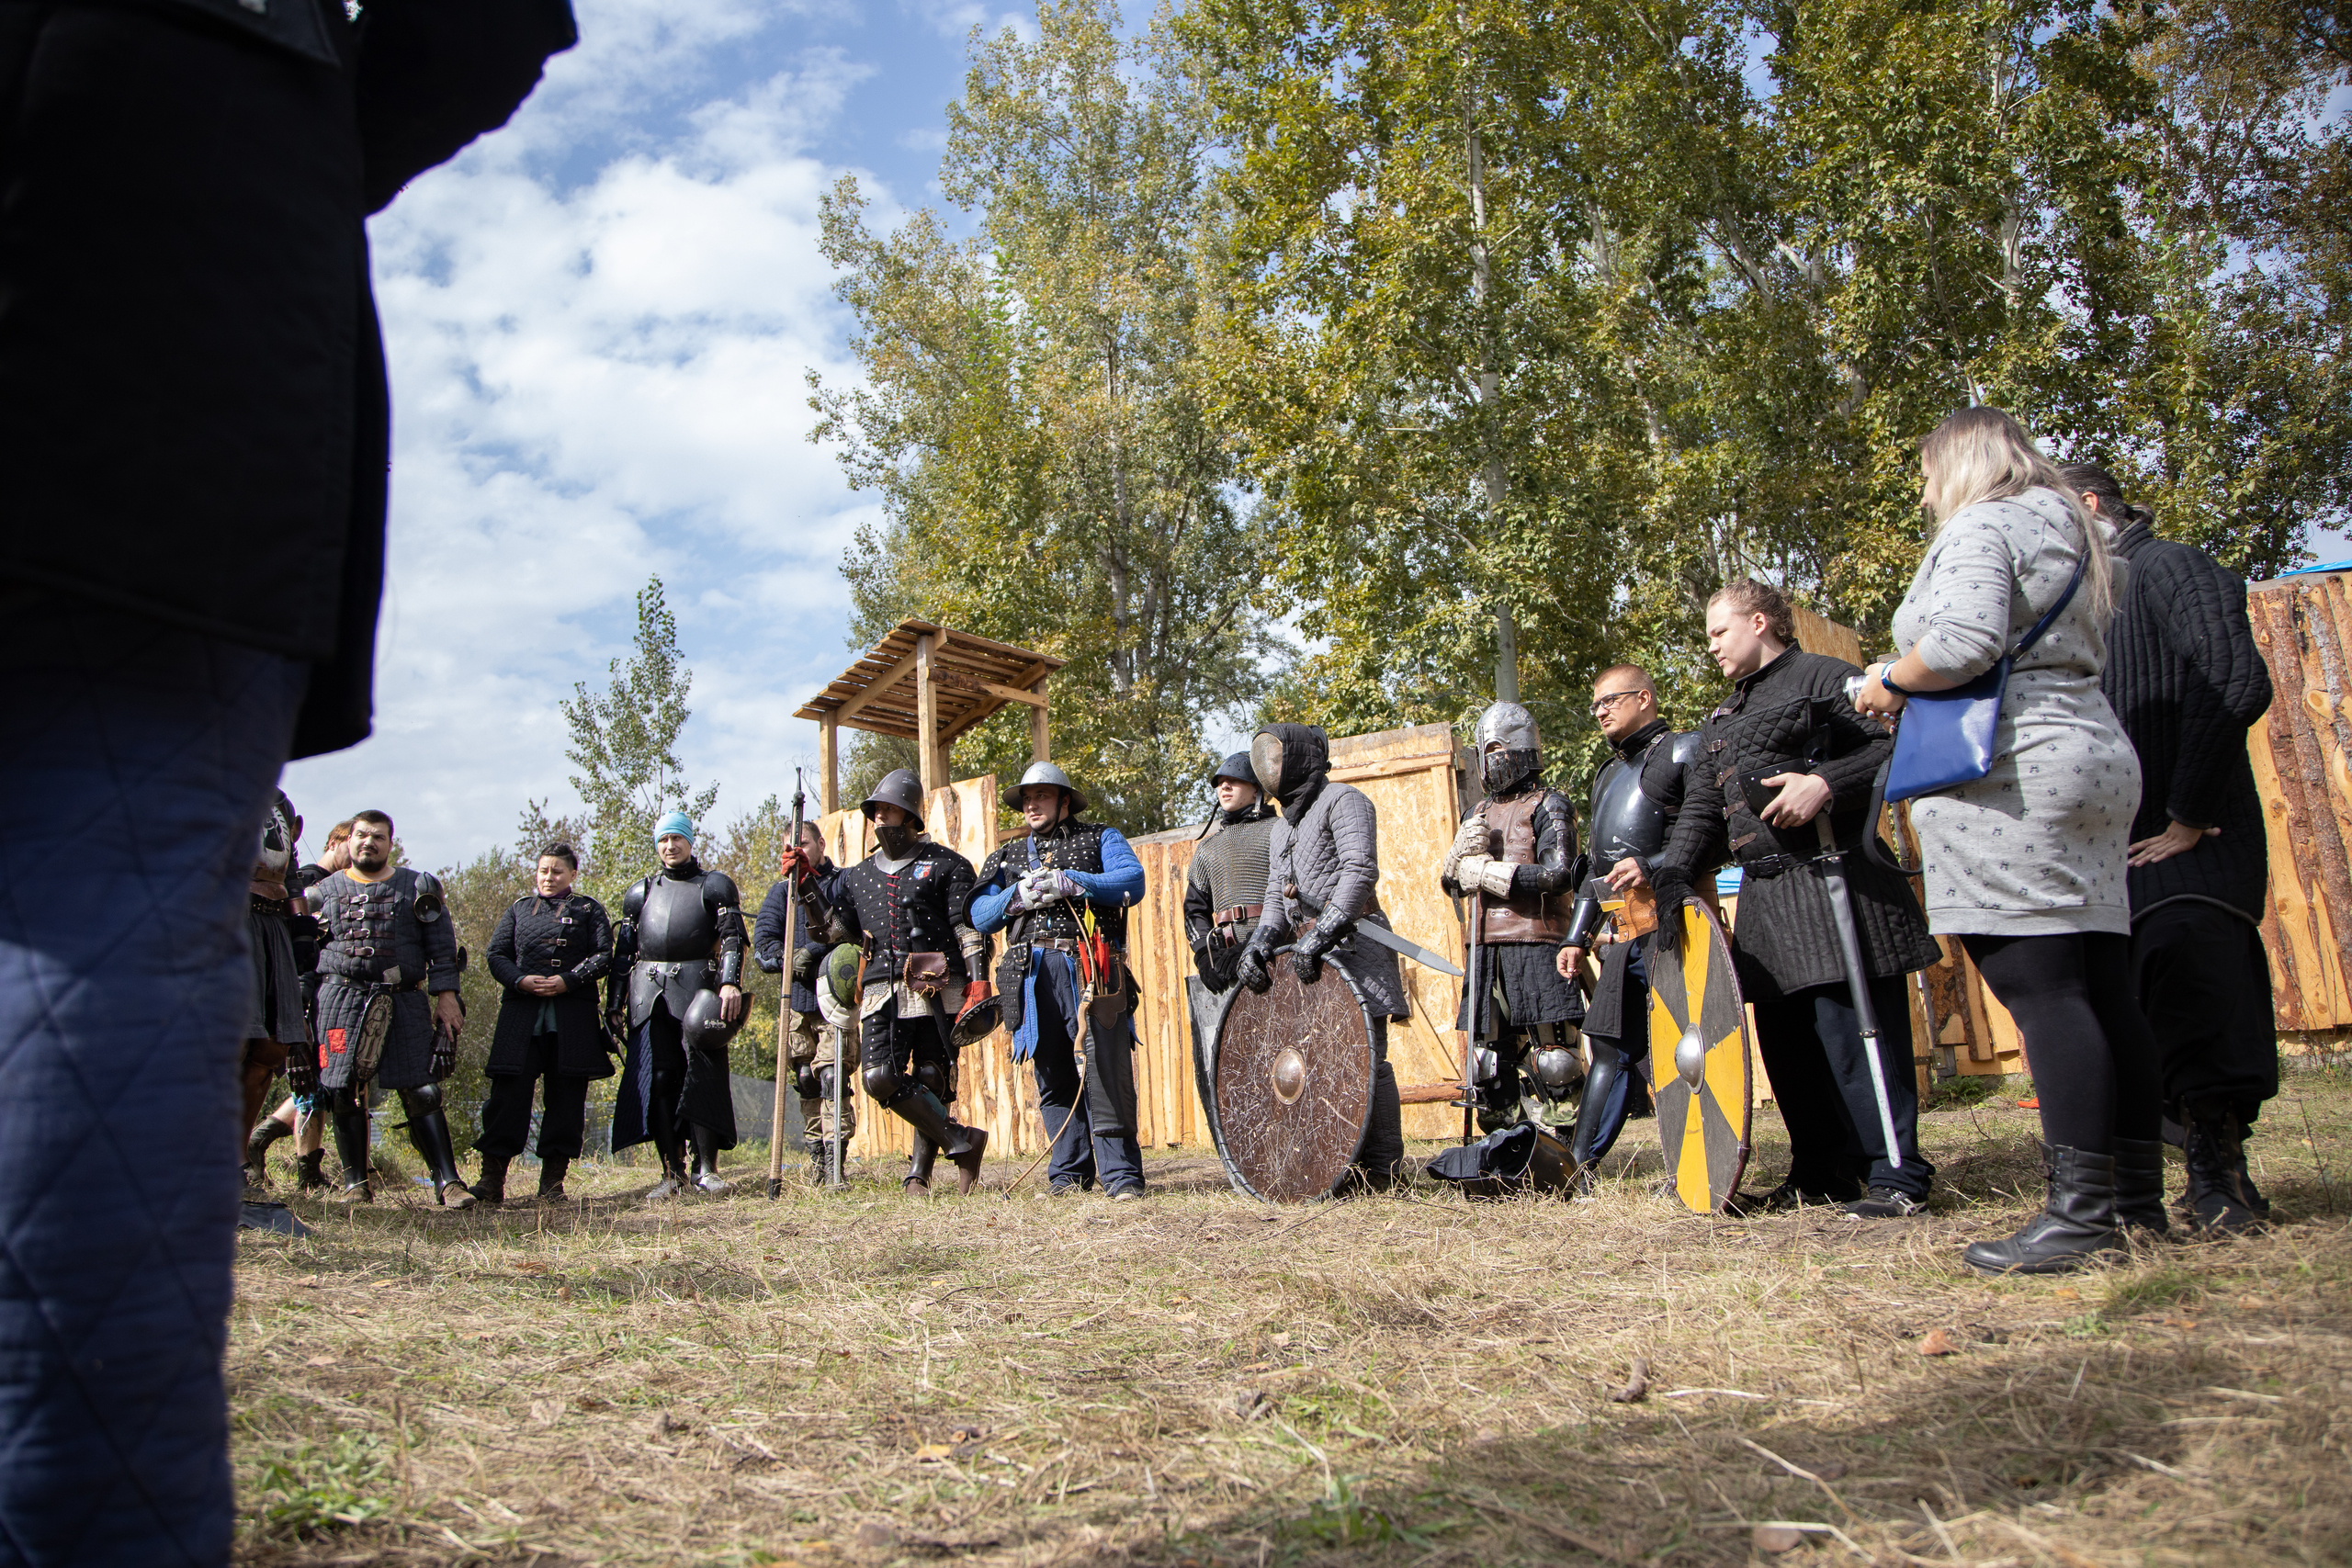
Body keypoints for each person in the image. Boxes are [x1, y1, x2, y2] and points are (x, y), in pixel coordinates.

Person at [0, 2, 574, 1551]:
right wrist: (299, 138)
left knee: (92, 922)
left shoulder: (438, 898)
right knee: (103, 914)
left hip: (156, 235)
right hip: (178, 185)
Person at [1855, 406, 2152, 1275]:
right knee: (2100, 982)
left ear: (1960, 463)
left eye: (1926, 473)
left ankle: (2082, 1212)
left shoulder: (1982, 525)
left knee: (2042, 988)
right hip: (2092, 748)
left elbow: (1962, 644)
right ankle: (2134, 1197)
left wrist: (1885, 680)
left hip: (2013, 766)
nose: (1923, 491)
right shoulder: (2078, 528)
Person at [1654, 581, 1941, 1219]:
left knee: (1854, 1037)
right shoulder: (1724, 720)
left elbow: (1893, 743)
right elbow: (1703, 808)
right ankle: (1823, 1171)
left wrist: (1825, 783)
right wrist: (1673, 875)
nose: (1712, 647)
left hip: (1836, 884)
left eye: (1718, 632)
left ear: (1760, 622)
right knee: (1790, 1047)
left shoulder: (1824, 678)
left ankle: (1897, 1173)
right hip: (1767, 900)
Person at [2068, 462, 2278, 1235]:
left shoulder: (2168, 565)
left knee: (2194, 977)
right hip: (2117, 850)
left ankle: (2221, 1175)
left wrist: (2187, 811)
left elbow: (2234, 677)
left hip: (2191, 839)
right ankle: (2144, 1185)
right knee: (2130, 1002)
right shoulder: (2083, 608)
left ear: (2089, 505)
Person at [786, 771, 991, 1196]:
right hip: (880, 985)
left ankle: (919, 1173)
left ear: (911, 813)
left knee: (933, 1074)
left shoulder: (948, 864)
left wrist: (978, 982)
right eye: (875, 810)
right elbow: (836, 930)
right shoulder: (857, 876)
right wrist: (807, 885)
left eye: (888, 808)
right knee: (879, 1076)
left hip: (939, 979)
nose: (879, 816)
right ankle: (960, 1140)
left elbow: (968, 927)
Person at [1235, 724, 1407, 1190]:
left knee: (1366, 1058)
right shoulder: (1282, 828)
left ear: (1300, 758)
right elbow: (1276, 894)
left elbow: (1359, 869)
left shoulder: (1345, 801)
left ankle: (1384, 1169)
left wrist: (1325, 930)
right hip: (1307, 959)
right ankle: (1337, 1169)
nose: (1269, 770)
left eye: (1276, 759)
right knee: (1319, 1061)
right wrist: (1260, 944)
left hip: (1354, 943)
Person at [972, 762, 1151, 1198]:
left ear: (1064, 801)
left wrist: (1073, 882)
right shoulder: (1007, 856)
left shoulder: (1101, 837)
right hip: (1031, 974)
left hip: (1090, 967)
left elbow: (1134, 880)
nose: (1032, 804)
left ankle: (1121, 1177)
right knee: (1052, 1073)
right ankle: (1068, 1176)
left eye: (1043, 796)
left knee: (1106, 1070)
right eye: (1027, 798)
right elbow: (978, 913)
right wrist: (1013, 897)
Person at [1556, 666, 1700, 1182]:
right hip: (1621, 931)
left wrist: (1655, 865)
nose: (1600, 711)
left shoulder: (1685, 751)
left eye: (1610, 701)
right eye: (1594, 704)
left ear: (1644, 696)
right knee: (1609, 1047)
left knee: (1689, 1044)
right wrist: (1577, 935)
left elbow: (1710, 834)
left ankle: (1698, 1165)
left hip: (1676, 924)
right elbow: (1596, 868)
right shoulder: (1607, 775)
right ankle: (1579, 1167)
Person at [307, 810, 474, 1207]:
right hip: (339, 1000)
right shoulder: (321, 892)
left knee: (422, 1090)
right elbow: (303, 957)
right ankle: (355, 1186)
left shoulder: (417, 885)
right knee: (343, 1091)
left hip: (403, 998)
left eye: (378, 837)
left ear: (390, 842)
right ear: (348, 841)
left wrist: (447, 996)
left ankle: (448, 1183)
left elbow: (440, 947)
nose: (369, 843)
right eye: (362, 835)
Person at [1440, 703, 1583, 1134]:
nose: (1490, 758)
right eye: (1486, 749)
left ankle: (1567, 1148)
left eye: (1498, 747)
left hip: (1537, 941)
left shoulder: (1550, 804)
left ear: (1522, 747)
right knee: (1488, 1059)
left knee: (1555, 1055)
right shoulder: (1475, 812)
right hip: (1486, 948)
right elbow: (1453, 887)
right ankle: (1507, 1147)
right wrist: (1455, 864)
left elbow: (1561, 874)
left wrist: (1489, 872)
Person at [609, 814, 746, 1199]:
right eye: (664, 839)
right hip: (648, 996)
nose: (670, 846)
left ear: (690, 841)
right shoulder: (640, 893)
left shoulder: (714, 885)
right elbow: (623, 955)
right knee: (659, 1078)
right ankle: (672, 1172)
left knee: (701, 1076)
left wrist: (730, 983)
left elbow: (733, 938)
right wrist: (613, 1004)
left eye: (677, 838)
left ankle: (707, 1169)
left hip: (699, 992)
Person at [473, 843, 613, 1206]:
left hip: (573, 1019)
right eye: (543, 871)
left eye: (557, 872)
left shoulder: (589, 909)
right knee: (507, 1097)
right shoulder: (519, 910)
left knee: (567, 1100)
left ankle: (552, 1183)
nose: (548, 878)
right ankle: (491, 1182)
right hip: (521, 1016)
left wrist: (570, 979)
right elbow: (496, 954)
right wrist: (520, 980)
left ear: (573, 874)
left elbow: (603, 955)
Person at [248, 820, 351, 1190]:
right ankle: (296, 1164)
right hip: (304, 990)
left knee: (326, 1081)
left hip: (331, 997)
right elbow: (303, 951)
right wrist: (302, 997)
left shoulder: (344, 885)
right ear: (336, 842)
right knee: (309, 1082)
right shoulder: (309, 881)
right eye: (351, 842)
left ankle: (264, 1144)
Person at [755, 820, 855, 1180]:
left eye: (802, 843)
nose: (796, 851)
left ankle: (835, 1163)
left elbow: (845, 929)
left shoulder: (842, 883)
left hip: (833, 998)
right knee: (806, 1079)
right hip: (796, 1002)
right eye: (788, 847)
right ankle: (816, 1156)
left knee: (832, 1077)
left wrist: (809, 953)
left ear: (821, 844)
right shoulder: (779, 894)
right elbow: (763, 943)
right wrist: (785, 959)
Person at [1184, 753, 1278, 995]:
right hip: (1227, 965)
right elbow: (1194, 910)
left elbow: (1291, 894)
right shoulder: (1207, 848)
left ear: (1256, 789)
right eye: (1219, 782)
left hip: (1276, 954)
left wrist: (1260, 942)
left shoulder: (1279, 831)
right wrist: (1205, 955)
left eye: (1234, 780)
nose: (1223, 786)